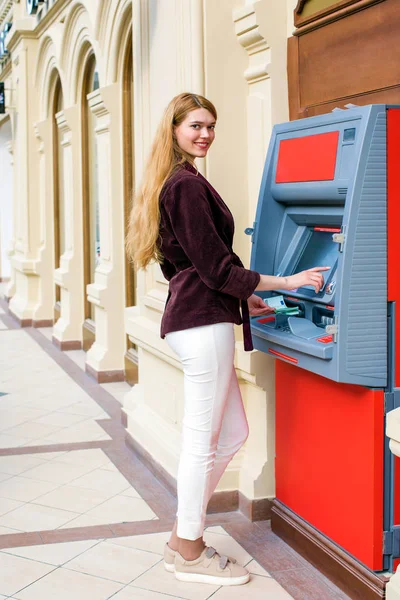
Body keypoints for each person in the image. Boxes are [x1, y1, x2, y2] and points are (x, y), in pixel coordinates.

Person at [126, 92, 328, 586]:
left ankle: (182, 537)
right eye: (196, 125)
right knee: (202, 441)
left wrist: (246, 300)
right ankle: (190, 550)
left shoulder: (180, 181)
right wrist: (287, 283)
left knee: (231, 435)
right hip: (201, 326)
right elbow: (216, 268)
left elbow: (196, 266)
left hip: (203, 318)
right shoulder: (185, 186)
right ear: (174, 128)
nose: (206, 134)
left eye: (211, 126)